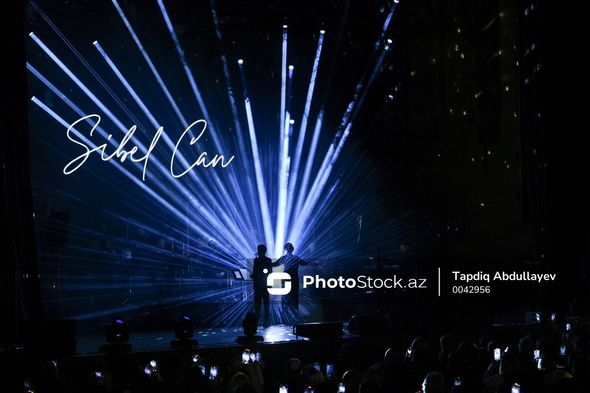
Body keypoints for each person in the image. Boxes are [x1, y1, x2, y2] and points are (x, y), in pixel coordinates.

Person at [274, 242, 310, 318]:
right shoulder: (295, 258)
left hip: (286, 277)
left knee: (286, 296)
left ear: (286, 249)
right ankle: (294, 314)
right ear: (292, 249)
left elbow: (274, 264)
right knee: (294, 296)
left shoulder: (283, 258)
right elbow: (305, 263)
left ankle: (285, 314)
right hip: (293, 278)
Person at [251, 244, 273, 325]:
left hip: (258, 285)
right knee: (266, 303)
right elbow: (270, 272)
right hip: (266, 284)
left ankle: (256, 322)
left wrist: (252, 275)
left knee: (257, 304)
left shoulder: (256, 260)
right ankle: (266, 321)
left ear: (258, 250)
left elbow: (254, 273)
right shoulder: (268, 260)